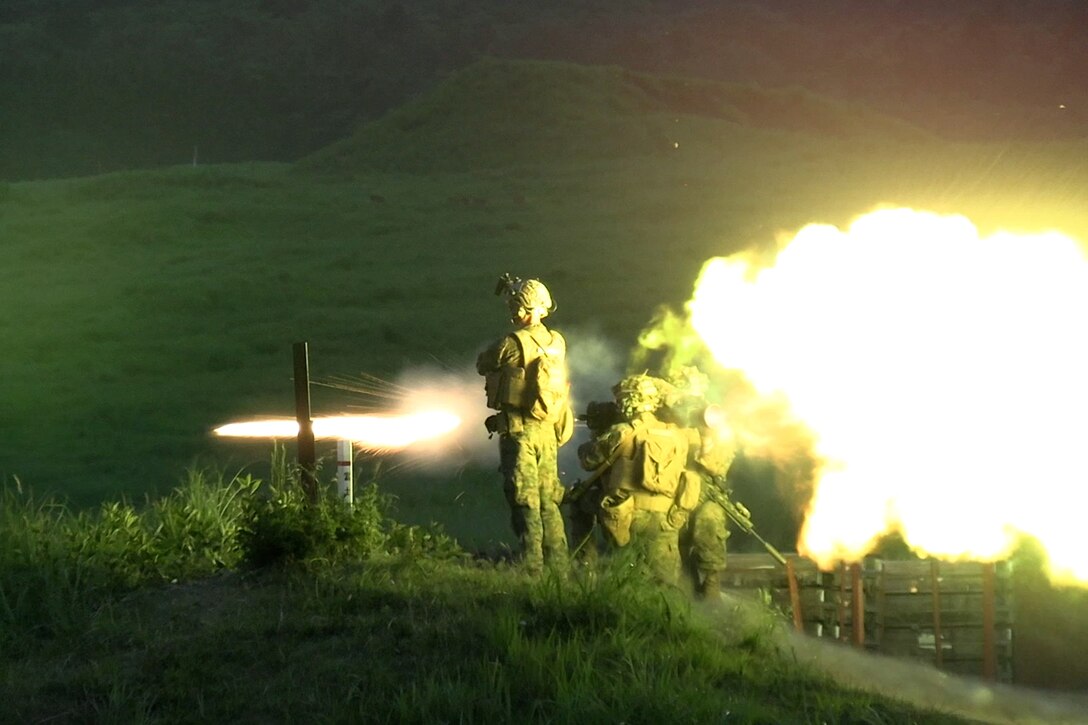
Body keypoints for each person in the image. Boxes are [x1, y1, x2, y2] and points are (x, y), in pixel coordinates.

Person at [476, 275, 572, 574]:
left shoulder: (512, 343)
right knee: (548, 500)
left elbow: (484, 363)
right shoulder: (557, 342)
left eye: (514, 305)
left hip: (520, 433)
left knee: (524, 498)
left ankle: (532, 565)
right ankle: (558, 565)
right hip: (548, 431)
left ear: (523, 307)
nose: (511, 311)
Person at [577, 374, 698, 585]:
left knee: (580, 504)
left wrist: (595, 436)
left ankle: (585, 569)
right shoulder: (677, 434)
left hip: (628, 517)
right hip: (666, 518)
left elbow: (588, 460)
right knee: (666, 582)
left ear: (627, 402)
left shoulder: (622, 432)